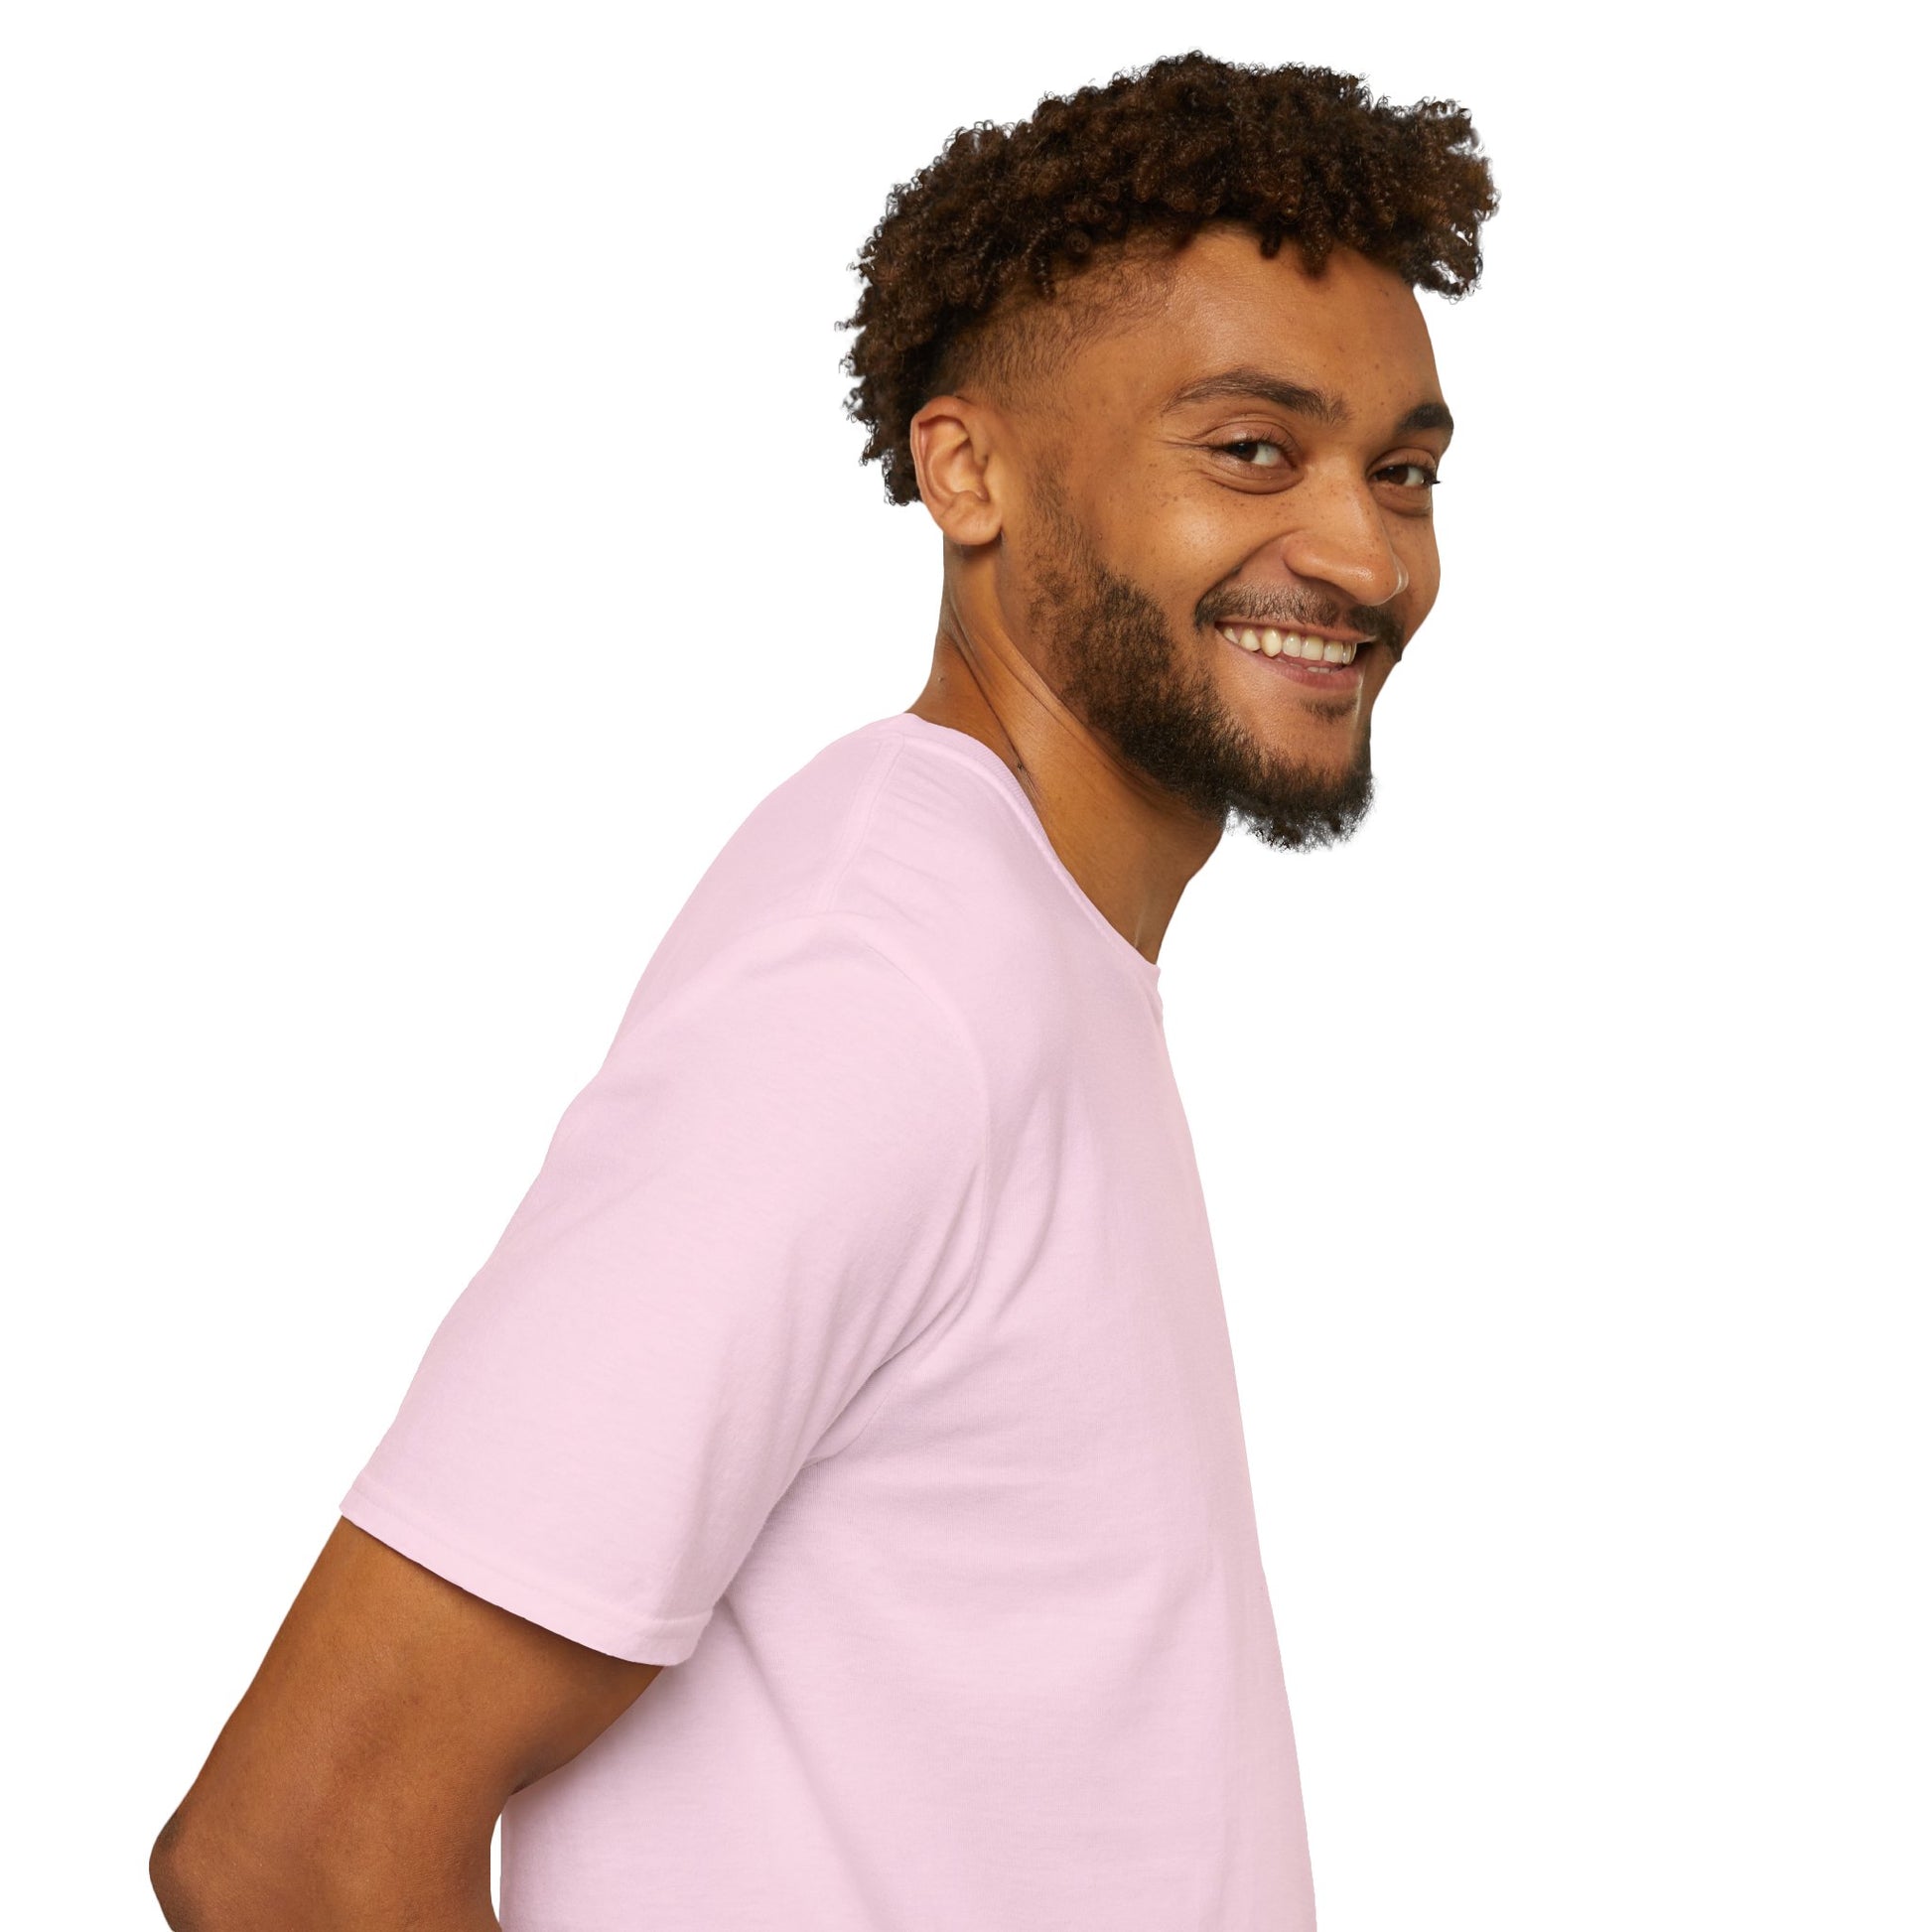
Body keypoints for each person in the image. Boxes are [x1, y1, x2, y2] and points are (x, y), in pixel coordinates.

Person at [151, 49, 1497, 1932]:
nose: (1362, 552)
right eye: (1250, 451)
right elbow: (293, 1847)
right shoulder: (880, 980)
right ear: (967, 471)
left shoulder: (1018, 951)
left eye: (1403, 472)